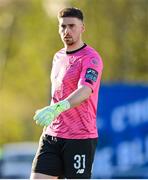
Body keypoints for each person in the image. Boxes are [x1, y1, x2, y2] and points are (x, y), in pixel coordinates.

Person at [30, 7, 103, 179]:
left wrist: (59, 107)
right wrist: (51, 110)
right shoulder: (58, 57)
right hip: (52, 135)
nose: (67, 31)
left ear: (82, 28)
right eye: (63, 26)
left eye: (72, 26)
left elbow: (85, 90)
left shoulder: (91, 58)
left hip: (80, 137)